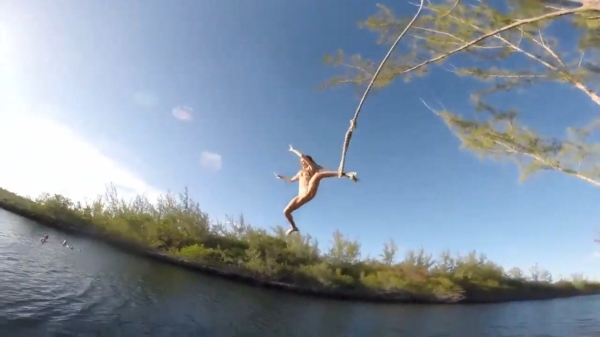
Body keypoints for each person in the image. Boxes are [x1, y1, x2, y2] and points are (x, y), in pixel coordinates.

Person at [275, 144, 358, 235]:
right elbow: (291, 180)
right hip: (301, 196)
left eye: (303, 161)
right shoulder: (300, 173)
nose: (302, 162)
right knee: (286, 212)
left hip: (310, 190)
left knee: (318, 175)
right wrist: (281, 177)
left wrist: (293, 150)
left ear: (308, 161)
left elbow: (302, 155)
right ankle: (294, 227)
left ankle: (345, 174)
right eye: (301, 162)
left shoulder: (312, 168)